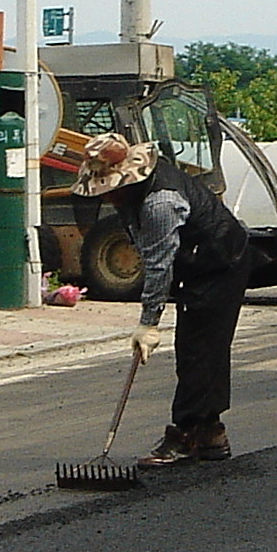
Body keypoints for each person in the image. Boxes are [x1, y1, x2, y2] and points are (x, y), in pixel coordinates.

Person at [73, 131, 250, 468]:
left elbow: (158, 266)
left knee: (200, 349)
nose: (106, 196)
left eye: (109, 189)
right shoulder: (134, 193)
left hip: (220, 262)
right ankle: (210, 433)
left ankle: (187, 434)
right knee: (201, 349)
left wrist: (148, 323)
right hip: (201, 260)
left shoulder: (160, 202)